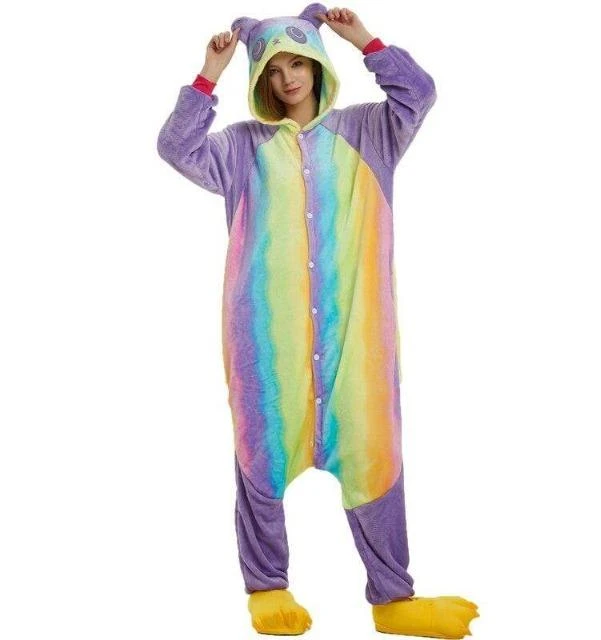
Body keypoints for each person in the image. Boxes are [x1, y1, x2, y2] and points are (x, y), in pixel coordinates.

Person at [157, 3, 479, 637]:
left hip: (356, 343)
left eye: (299, 64)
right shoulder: (241, 149)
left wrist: (364, 39)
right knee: (260, 459)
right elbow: (175, 147)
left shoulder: (369, 133)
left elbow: (419, 93)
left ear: (318, 66)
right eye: (275, 69)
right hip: (266, 344)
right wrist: (208, 74)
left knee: (375, 455)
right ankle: (267, 588)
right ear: (261, 78)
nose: (289, 78)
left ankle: (393, 597)